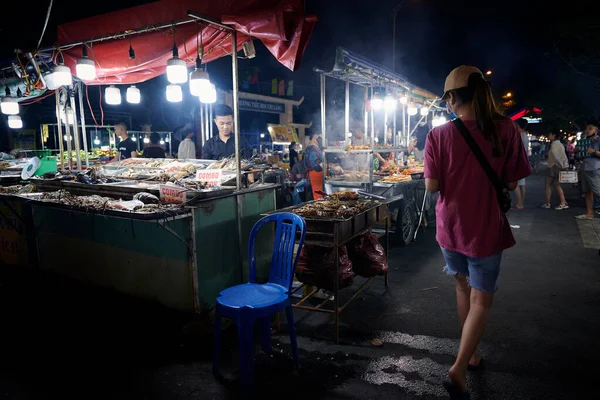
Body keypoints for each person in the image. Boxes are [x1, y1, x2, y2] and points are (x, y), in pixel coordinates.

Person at [424, 65, 531, 398]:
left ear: (453, 98)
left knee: (462, 288)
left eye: (449, 100)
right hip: (484, 228)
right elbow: (512, 182)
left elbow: (432, 186)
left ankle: (470, 355)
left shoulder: (437, 136)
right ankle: (459, 367)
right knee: (481, 300)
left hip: (450, 228)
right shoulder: (506, 130)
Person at [575, 121, 600, 219]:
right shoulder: (584, 140)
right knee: (587, 192)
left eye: (590, 128)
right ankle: (589, 213)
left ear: (596, 130)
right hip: (585, 167)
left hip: (595, 169)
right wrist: (577, 151)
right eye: (587, 129)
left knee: (598, 192)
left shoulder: (598, 140)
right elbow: (579, 154)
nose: (588, 130)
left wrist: (594, 151)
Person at [541, 131, 569, 210]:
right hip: (557, 166)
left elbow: (555, 155)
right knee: (555, 184)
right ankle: (562, 202)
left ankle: (549, 203)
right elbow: (563, 156)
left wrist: (561, 165)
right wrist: (565, 165)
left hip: (553, 166)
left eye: (550, 134)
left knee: (549, 184)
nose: (548, 136)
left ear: (554, 135)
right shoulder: (560, 144)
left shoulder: (554, 144)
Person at [512, 118, 531, 209]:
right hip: (524, 161)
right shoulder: (525, 136)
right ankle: (521, 203)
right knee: (522, 184)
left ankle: (519, 203)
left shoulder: (519, 136)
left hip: (518, 162)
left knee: (514, 182)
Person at [304, 133, 324, 200]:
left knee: (319, 195)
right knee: (318, 196)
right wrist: (322, 165)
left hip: (314, 174)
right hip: (316, 174)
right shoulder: (312, 148)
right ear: (315, 136)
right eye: (320, 137)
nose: (321, 140)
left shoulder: (311, 147)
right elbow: (314, 164)